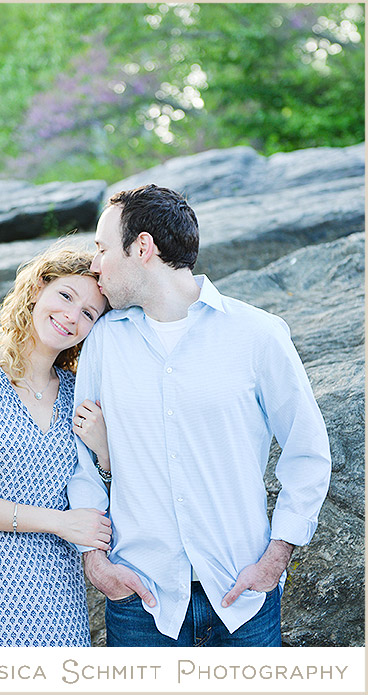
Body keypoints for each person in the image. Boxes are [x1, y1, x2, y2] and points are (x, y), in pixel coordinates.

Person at [67, 184, 331, 647]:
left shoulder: (258, 335)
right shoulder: (104, 342)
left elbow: (307, 452)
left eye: (103, 249)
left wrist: (275, 560)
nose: (94, 265)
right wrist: (96, 561)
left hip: (242, 598)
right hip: (140, 602)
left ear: (143, 247)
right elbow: (80, 461)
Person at [0, 243, 112, 647]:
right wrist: (57, 522)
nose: (72, 316)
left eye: (89, 313)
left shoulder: (79, 394)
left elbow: (99, 493)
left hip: (57, 595)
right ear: (36, 289)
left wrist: (103, 451)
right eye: (66, 296)